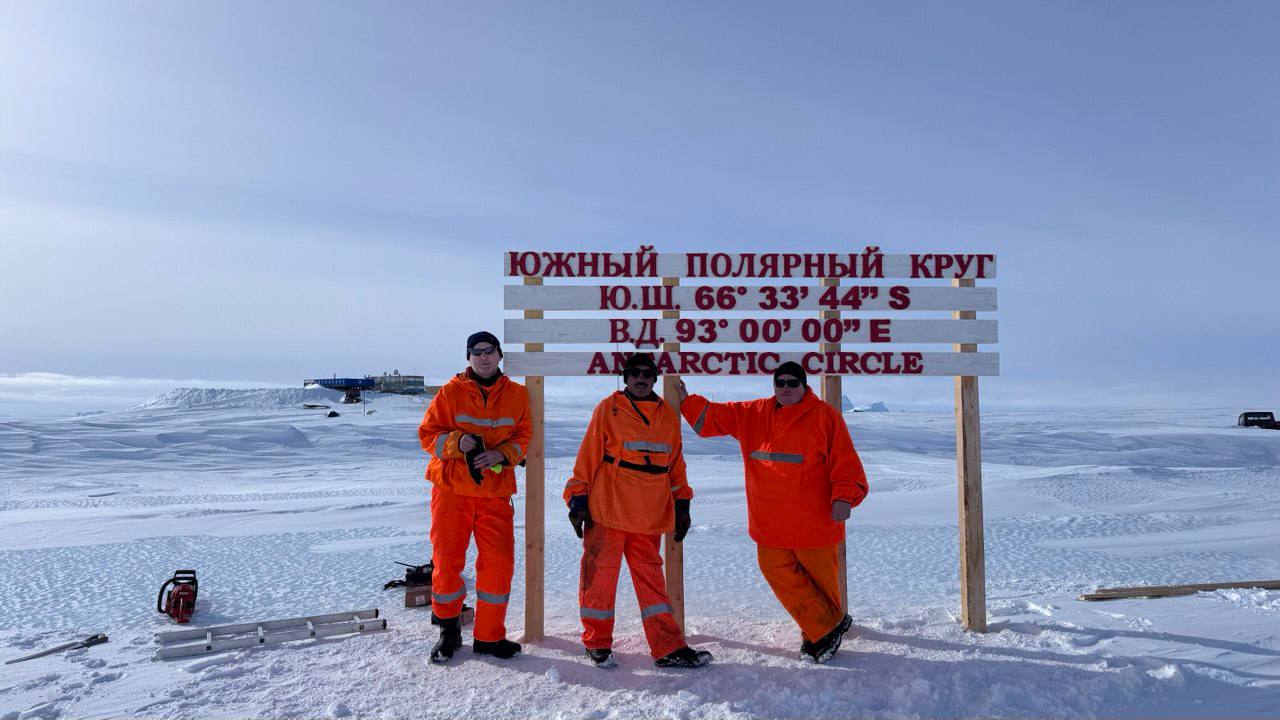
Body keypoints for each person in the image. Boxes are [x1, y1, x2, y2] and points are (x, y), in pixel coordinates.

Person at [676, 361, 868, 663]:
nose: (787, 388)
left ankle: (818, 633)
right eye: (781, 383)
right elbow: (713, 418)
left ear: (805, 386)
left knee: (821, 580)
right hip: (769, 520)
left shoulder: (825, 416)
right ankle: (828, 625)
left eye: (793, 383)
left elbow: (845, 459)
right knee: (775, 569)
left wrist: (844, 496)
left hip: (814, 519)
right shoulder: (754, 413)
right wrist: (687, 400)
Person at [564, 352, 713, 669]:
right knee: (599, 581)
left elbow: (675, 465)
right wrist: (577, 498)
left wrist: (682, 504)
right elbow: (588, 455)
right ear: (626, 377)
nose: (641, 378)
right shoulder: (609, 408)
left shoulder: (667, 416)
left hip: (649, 515)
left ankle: (667, 646)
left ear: (655, 378)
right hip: (608, 511)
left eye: (647, 373)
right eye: (634, 373)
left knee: (653, 585)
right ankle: (597, 643)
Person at [418, 331, 531, 663]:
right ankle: (448, 630)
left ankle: (489, 636)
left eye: (489, 351)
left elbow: (524, 435)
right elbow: (427, 434)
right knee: (447, 562)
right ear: (468, 358)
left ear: (499, 355)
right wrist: (456, 442)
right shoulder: (450, 393)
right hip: (452, 492)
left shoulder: (518, 395)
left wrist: (502, 454)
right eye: (476, 352)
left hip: (494, 494)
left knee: (498, 564)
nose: (483, 357)